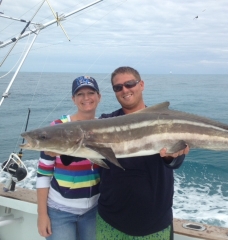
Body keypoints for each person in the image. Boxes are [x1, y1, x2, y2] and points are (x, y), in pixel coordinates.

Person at [96, 66, 190, 239]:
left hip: (155, 224)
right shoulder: (104, 122)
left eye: (129, 84)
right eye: (118, 87)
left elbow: (175, 162)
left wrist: (172, 156)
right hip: (110, 221)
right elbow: (78, 147)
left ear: (141, 84)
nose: (124, 90)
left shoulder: (165, 122)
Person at [36, 76, 101, 240]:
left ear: (99, 97)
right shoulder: (56, 128)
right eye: (80, 94)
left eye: (90, 92)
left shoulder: (104, 127)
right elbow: (43, 173)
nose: (86, 98)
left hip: (94, 210)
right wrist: (42, 214)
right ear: (73, 99)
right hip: (60, 211)